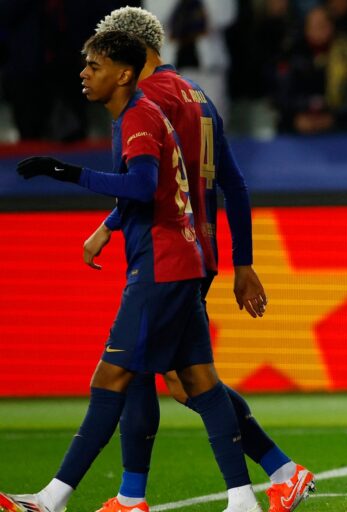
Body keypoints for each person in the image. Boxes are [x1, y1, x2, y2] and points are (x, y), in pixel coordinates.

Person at [0, 31, 260, 512]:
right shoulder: (148, 111)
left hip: (161, 264)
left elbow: (141, 186)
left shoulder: (139, 113)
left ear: (123, 73)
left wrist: (66, 171)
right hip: (182, 259)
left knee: (111, 376)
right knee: (199, 381)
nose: (84, 73)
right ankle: (242, 497)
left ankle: (54, 497)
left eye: (94, 65)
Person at [78, 8, 317, 512]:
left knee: (145, 373)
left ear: (129, 52)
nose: (95, 69)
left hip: (168, 251)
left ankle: (131, 495)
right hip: (199, 250)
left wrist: (110, 223)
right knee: (189, 380)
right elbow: (232, 183)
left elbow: (157, 187)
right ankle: (281, 470)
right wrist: (242, 261)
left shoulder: (148, 101)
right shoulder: (198, 94)